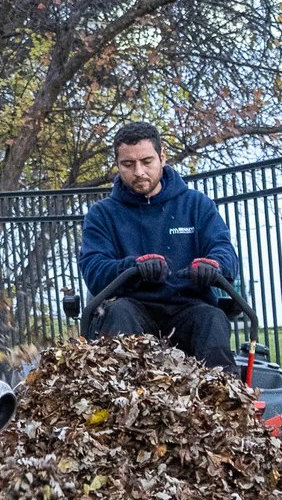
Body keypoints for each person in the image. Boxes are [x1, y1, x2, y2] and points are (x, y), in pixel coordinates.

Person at [77, 120, 242, 370]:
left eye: (146, 161)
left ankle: (221, 404)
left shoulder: (196, 205)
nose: (139, 172)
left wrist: (212, 265)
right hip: (133, 308)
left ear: (162, 157)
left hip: (189, 307)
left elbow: (224, 250)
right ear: (117, 165)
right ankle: (122, 403)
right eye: (128, 164)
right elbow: (94, 269)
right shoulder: (102, 215)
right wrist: (132, 268)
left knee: (212, 319)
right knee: (118, 313)